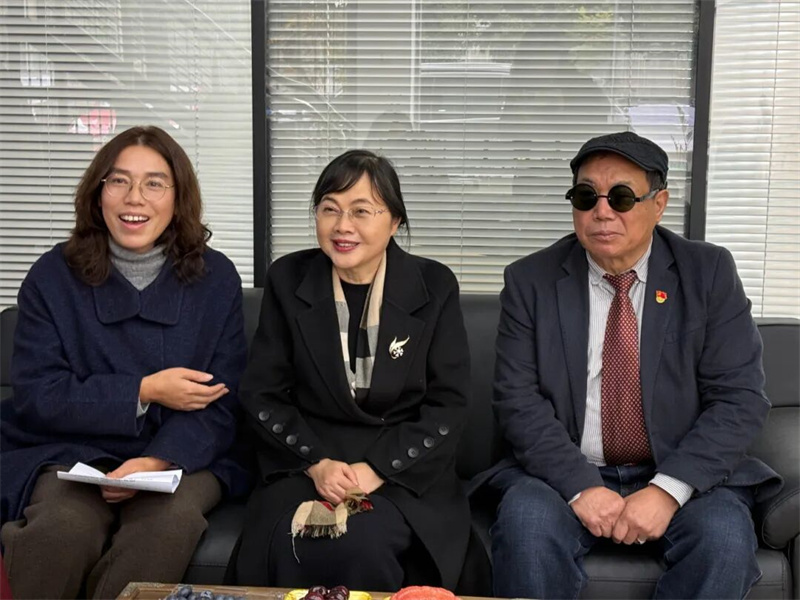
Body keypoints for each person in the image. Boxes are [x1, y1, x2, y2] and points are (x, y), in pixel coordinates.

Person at [484, 131, 783, 599]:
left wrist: (667, 490)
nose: (602, 212)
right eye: (587, 197)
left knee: (723, 539)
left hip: (680, 469)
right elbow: (518, 401)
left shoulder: (707, 274)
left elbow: (739, 399)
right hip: (565, 471)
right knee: (527, 524)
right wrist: (582, 488)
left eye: (622, 197)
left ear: (659, 204)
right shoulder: (531, 280)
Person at [0, 125, 248, 599]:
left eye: (154, 183)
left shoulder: (215, 277)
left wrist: (155, 461)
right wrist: (143, 391)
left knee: (167, 525)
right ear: (98, 195)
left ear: (178, 197)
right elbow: (37, 393)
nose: (135, 198)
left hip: (181, 456)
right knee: (60, 529)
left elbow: (222, 403)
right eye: (118, 181)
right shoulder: (52, 275)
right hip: (68, 452)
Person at [231, 149, 484, 592]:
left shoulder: (434, 285)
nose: (342, 226)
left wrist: (377, 469)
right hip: (308, 465)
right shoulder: (289, 279)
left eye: (361, 211)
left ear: (395, 221)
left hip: (403, 470)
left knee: (362, 542)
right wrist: (315, 463)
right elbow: (261, 393)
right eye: (330, 209)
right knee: (295, 538)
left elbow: (449, 405)